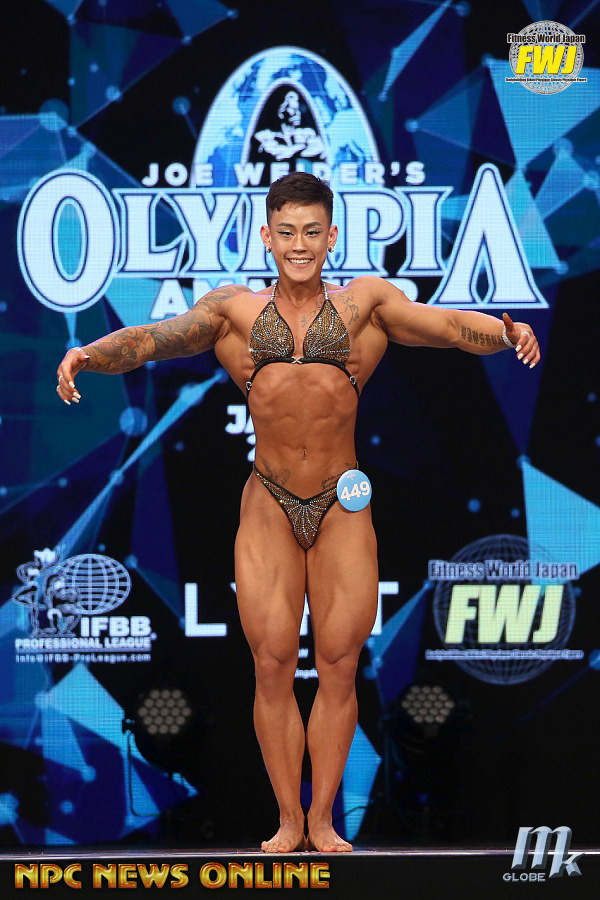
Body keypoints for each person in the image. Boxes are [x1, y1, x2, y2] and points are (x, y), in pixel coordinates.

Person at [56, 172, 540, 853]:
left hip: (342, 503)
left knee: (338, 663)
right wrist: (88, 354)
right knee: (273, 662)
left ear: (331, 235)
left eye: (312, 231)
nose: (300, 245)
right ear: (267, 236)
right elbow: (155, 339)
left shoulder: (366, 304)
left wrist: (506, 331)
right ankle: (289, 818)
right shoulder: (233, 312)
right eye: (287, 232)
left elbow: (446, 326)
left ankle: (323, 821)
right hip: (269, 504)